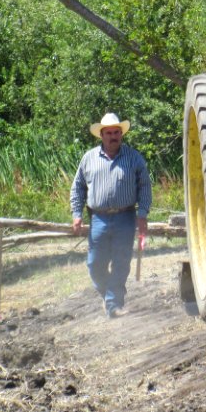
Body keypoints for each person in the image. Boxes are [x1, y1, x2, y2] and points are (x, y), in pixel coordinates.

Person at [70, 112, 152, 319]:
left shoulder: (134, 158)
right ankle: (109, 296)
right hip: (98, 218)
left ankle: (114, 304)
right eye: (109, 133)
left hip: (126, 217)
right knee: (95, 263)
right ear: (102, 135)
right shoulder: (88, 158)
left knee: (121, 261)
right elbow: (77, 188)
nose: (113, 136)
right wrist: (76, 214)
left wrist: (142, 215)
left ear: (121, 134)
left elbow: (145, 187)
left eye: (117, 132)